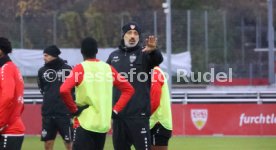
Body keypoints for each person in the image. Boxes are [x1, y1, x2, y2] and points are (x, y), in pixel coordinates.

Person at [60, 37, 134, 150]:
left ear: (81, 51)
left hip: (84, 123)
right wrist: (116, 110)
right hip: (102, 124)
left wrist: (74, 109)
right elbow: (129, 89)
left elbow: (64, 90)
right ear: (97, 51)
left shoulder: (80, 68)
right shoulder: (108, 68)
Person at [107, 22, 163, 150]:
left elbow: (157, 60)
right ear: (123, 36)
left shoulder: (144, 54)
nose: (132, 36)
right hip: (119, 117)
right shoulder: (113, 56)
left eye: (136, 34)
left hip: (139, 116)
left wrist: (154, 51)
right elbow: (106, 82)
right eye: (129, 33)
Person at [37, 45, 73, 150]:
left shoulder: (68, 69)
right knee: (48, 143)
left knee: (69, 143)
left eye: (46, 55)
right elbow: (42, 89)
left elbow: (73, 89)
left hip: (64, 113)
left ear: (54, 55)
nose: (44, 57)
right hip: (48, 113)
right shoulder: (42, 71)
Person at [0, 37, 25, 150]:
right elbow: (21, 103)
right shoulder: (13, 68)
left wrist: (0, 123)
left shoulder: (6, 69)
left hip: (8, 131)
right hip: (13, 128)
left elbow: (8, 97)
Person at [150, 66, 172, 150]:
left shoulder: (155, 74)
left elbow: (154, 101)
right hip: (158, 123)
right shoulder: (156, 72)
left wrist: (143, 116)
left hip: (157, 123)